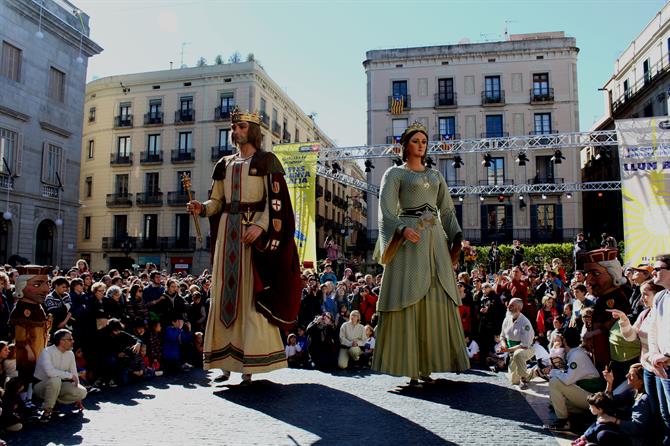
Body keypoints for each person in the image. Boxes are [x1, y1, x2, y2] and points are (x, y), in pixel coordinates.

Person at [187, 109, 301, 385]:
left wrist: (260, 226)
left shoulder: (267, 161)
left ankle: (249, 363)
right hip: (227, 233)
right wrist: (202, 208)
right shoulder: (223, 164)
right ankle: (223, 361)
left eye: (240, 126)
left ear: (251, 131)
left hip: (252, 237)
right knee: (224, 296)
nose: (235, 131)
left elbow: (276, 203)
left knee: (249, 296)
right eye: (233, 127)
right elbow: (217, 201)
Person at [372, 121, 469, 386]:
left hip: (435, 239)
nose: (421, 145)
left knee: (437, 299)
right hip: (408, 242)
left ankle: (429, 365)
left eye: (424, 141)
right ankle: (410, 368)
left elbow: (447, 211)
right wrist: (401, 229)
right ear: (405, 145)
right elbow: (386, 211)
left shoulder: (436, 176)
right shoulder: (394, 174)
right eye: (415, 141)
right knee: (408, 300)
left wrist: (457, 236)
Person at [545, 327, 603, 431]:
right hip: (587, 394)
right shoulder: (575, 353)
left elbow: (567, 380)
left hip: (592, 397)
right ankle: (583, 416)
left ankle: (563, 421)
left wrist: (554, 371)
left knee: (554, 382)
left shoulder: (576, 355)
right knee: (555, 402)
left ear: (565, 341)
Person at [9, 265, 52, 388]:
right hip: (28, 353)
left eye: (47, 284)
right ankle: (24, 398)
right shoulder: (21, 309)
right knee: (26, 374)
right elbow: (20, 336)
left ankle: (30, 396)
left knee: (34, 376)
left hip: (39, 349)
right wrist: (29, 352)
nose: (46, 290)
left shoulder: (38, 307)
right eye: (37, 285)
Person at [33, 329, 87, 422]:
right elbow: (50, 372)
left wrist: (78, 400)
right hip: (41, 387)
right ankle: (47, 410)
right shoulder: (47, 352)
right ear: (62, 341)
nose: (73, 341)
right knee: (55, 379)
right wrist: (69, 376)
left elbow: (74, 374)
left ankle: (54, 401)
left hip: (59, 385)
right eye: (70, 339)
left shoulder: (70, 354)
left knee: (82, 392)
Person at [647, 253, 670, 444]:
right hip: (660, 366)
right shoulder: (660, 297)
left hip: (667, 362)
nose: (653, 272)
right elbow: (652, 329)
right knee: (665, 415)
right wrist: (654, 353)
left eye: (658, 269)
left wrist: (668, 357)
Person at [499, 298, 535, 390]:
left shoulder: (525, 323)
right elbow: (502, 336)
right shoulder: (506, 319)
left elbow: (524, 345)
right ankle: (534, 372)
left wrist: (507, 350)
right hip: (511, 352)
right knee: (514, 380)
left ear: (518, 308)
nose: (508, 307)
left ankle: (524, 380)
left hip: (527, 349)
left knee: (518, 354)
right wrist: (503, 345)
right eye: (508, 304)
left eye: (511, 305)